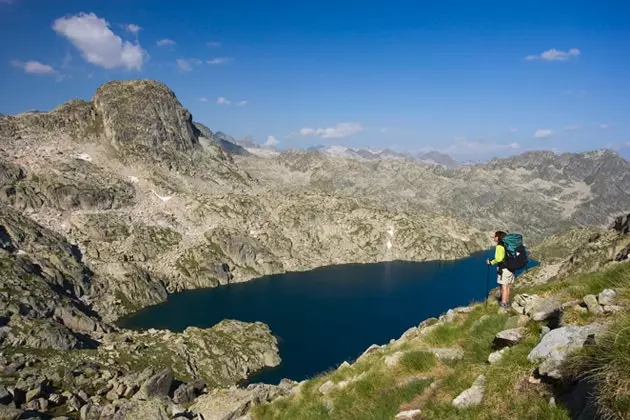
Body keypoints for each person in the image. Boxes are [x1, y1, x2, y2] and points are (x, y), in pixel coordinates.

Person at [486, 231, 515, 308]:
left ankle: (503, 303)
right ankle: (507, 302)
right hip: (510, 268)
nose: (494, 237)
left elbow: (499, 259)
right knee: (507, 286)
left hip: (504, 269)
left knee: (504, 287)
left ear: (498, 237)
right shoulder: (507, 245)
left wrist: (491, 262)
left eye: (495, 236)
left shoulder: (499, 246)